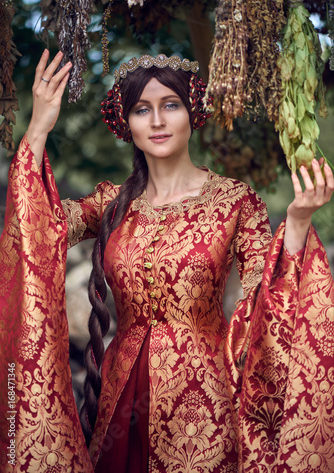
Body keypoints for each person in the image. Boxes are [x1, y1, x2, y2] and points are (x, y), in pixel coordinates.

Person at [0, 49, 333, 473]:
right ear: (127, 124)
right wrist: (39, 128)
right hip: (121, 397)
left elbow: (263, 297)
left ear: (192, 113)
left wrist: (299, 222)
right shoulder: (110, 203)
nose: (156, 121)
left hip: (205, 402)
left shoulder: (234, 201)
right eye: (142, 110)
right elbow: (32, 232)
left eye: (170, 105)